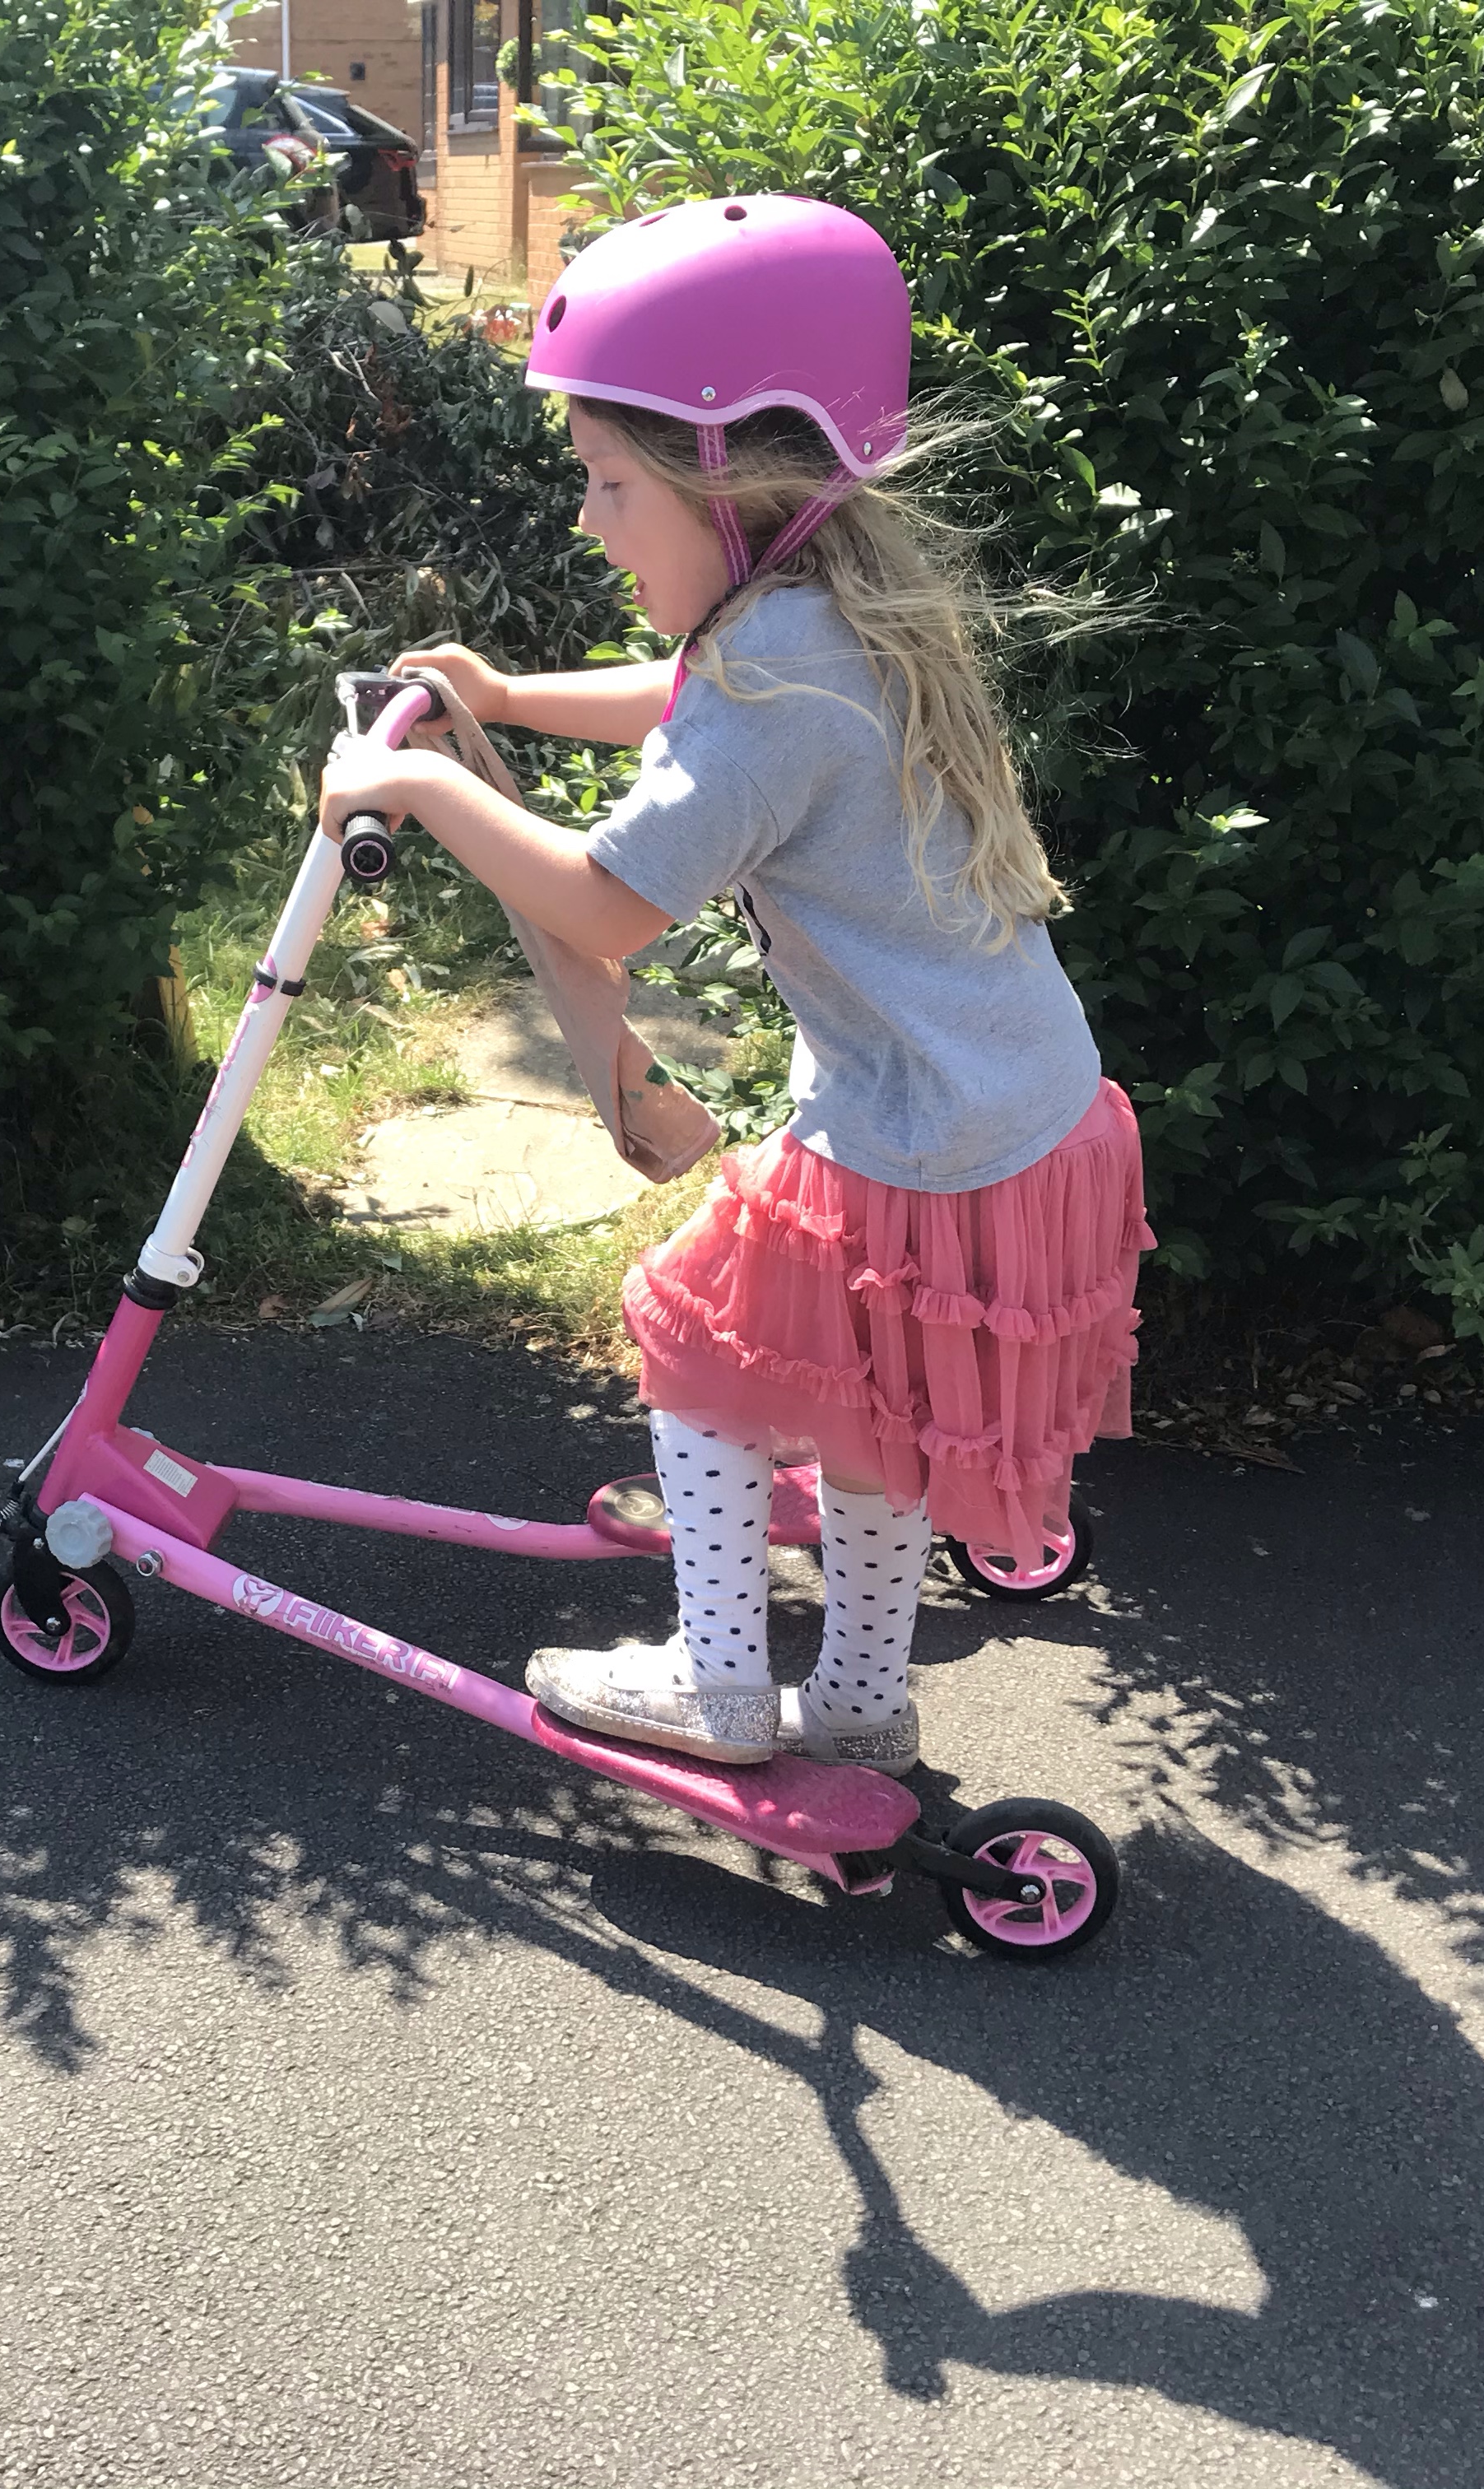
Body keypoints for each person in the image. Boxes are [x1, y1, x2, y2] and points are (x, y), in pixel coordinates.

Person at [314, 194, 1148, 1771]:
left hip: (917, 1128)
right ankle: (863, 1701)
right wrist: (507, 698)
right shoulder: (825, 614)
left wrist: (415, 784)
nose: (589, 520)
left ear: (726, 481)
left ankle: (718, 1683)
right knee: (876, 1414)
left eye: (610, 483)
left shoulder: (773, 685)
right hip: (1018, 1104)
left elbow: (604, 908)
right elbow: (680, 697)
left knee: (697, 1353)